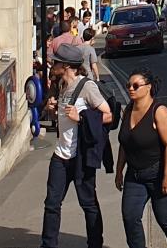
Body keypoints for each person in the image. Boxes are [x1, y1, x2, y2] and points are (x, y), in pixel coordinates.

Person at [40, 44, 114, 248]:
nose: (51, 65)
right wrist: (52, 109)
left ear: (66, 65)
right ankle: (48, 245)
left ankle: (95, 244)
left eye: (55, 62)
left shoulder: (87, 86)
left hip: (80, 157)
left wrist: (80, 118)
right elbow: (63, 117)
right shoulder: (61, 85)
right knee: (52, 204)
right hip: (60, 156)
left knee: (88, 204)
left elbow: (108, 115)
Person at [116, 69, 167, 248]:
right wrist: (119, 171)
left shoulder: (159, 111)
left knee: (165, 219)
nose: (130, 89)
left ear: (148, 87)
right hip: (135, 175)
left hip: (160, 173)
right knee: (130, 217)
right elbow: (125, 143)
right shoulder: (128, 110)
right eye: (128, 86)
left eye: (135, 86)